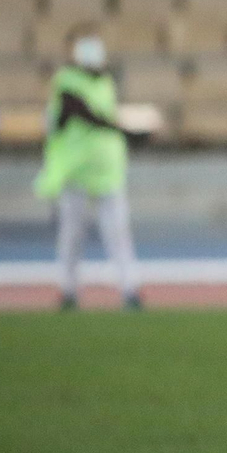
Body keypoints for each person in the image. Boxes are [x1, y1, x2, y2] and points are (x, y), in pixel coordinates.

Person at [35, 24, 142, 311]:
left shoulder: (106, 80)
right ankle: (68, 290)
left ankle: (130, 289)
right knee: (72, 232)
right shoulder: (66, 80)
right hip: (76, 169)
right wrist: (125, 131)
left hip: (107, 167)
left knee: (118, 231)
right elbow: (82, 112)